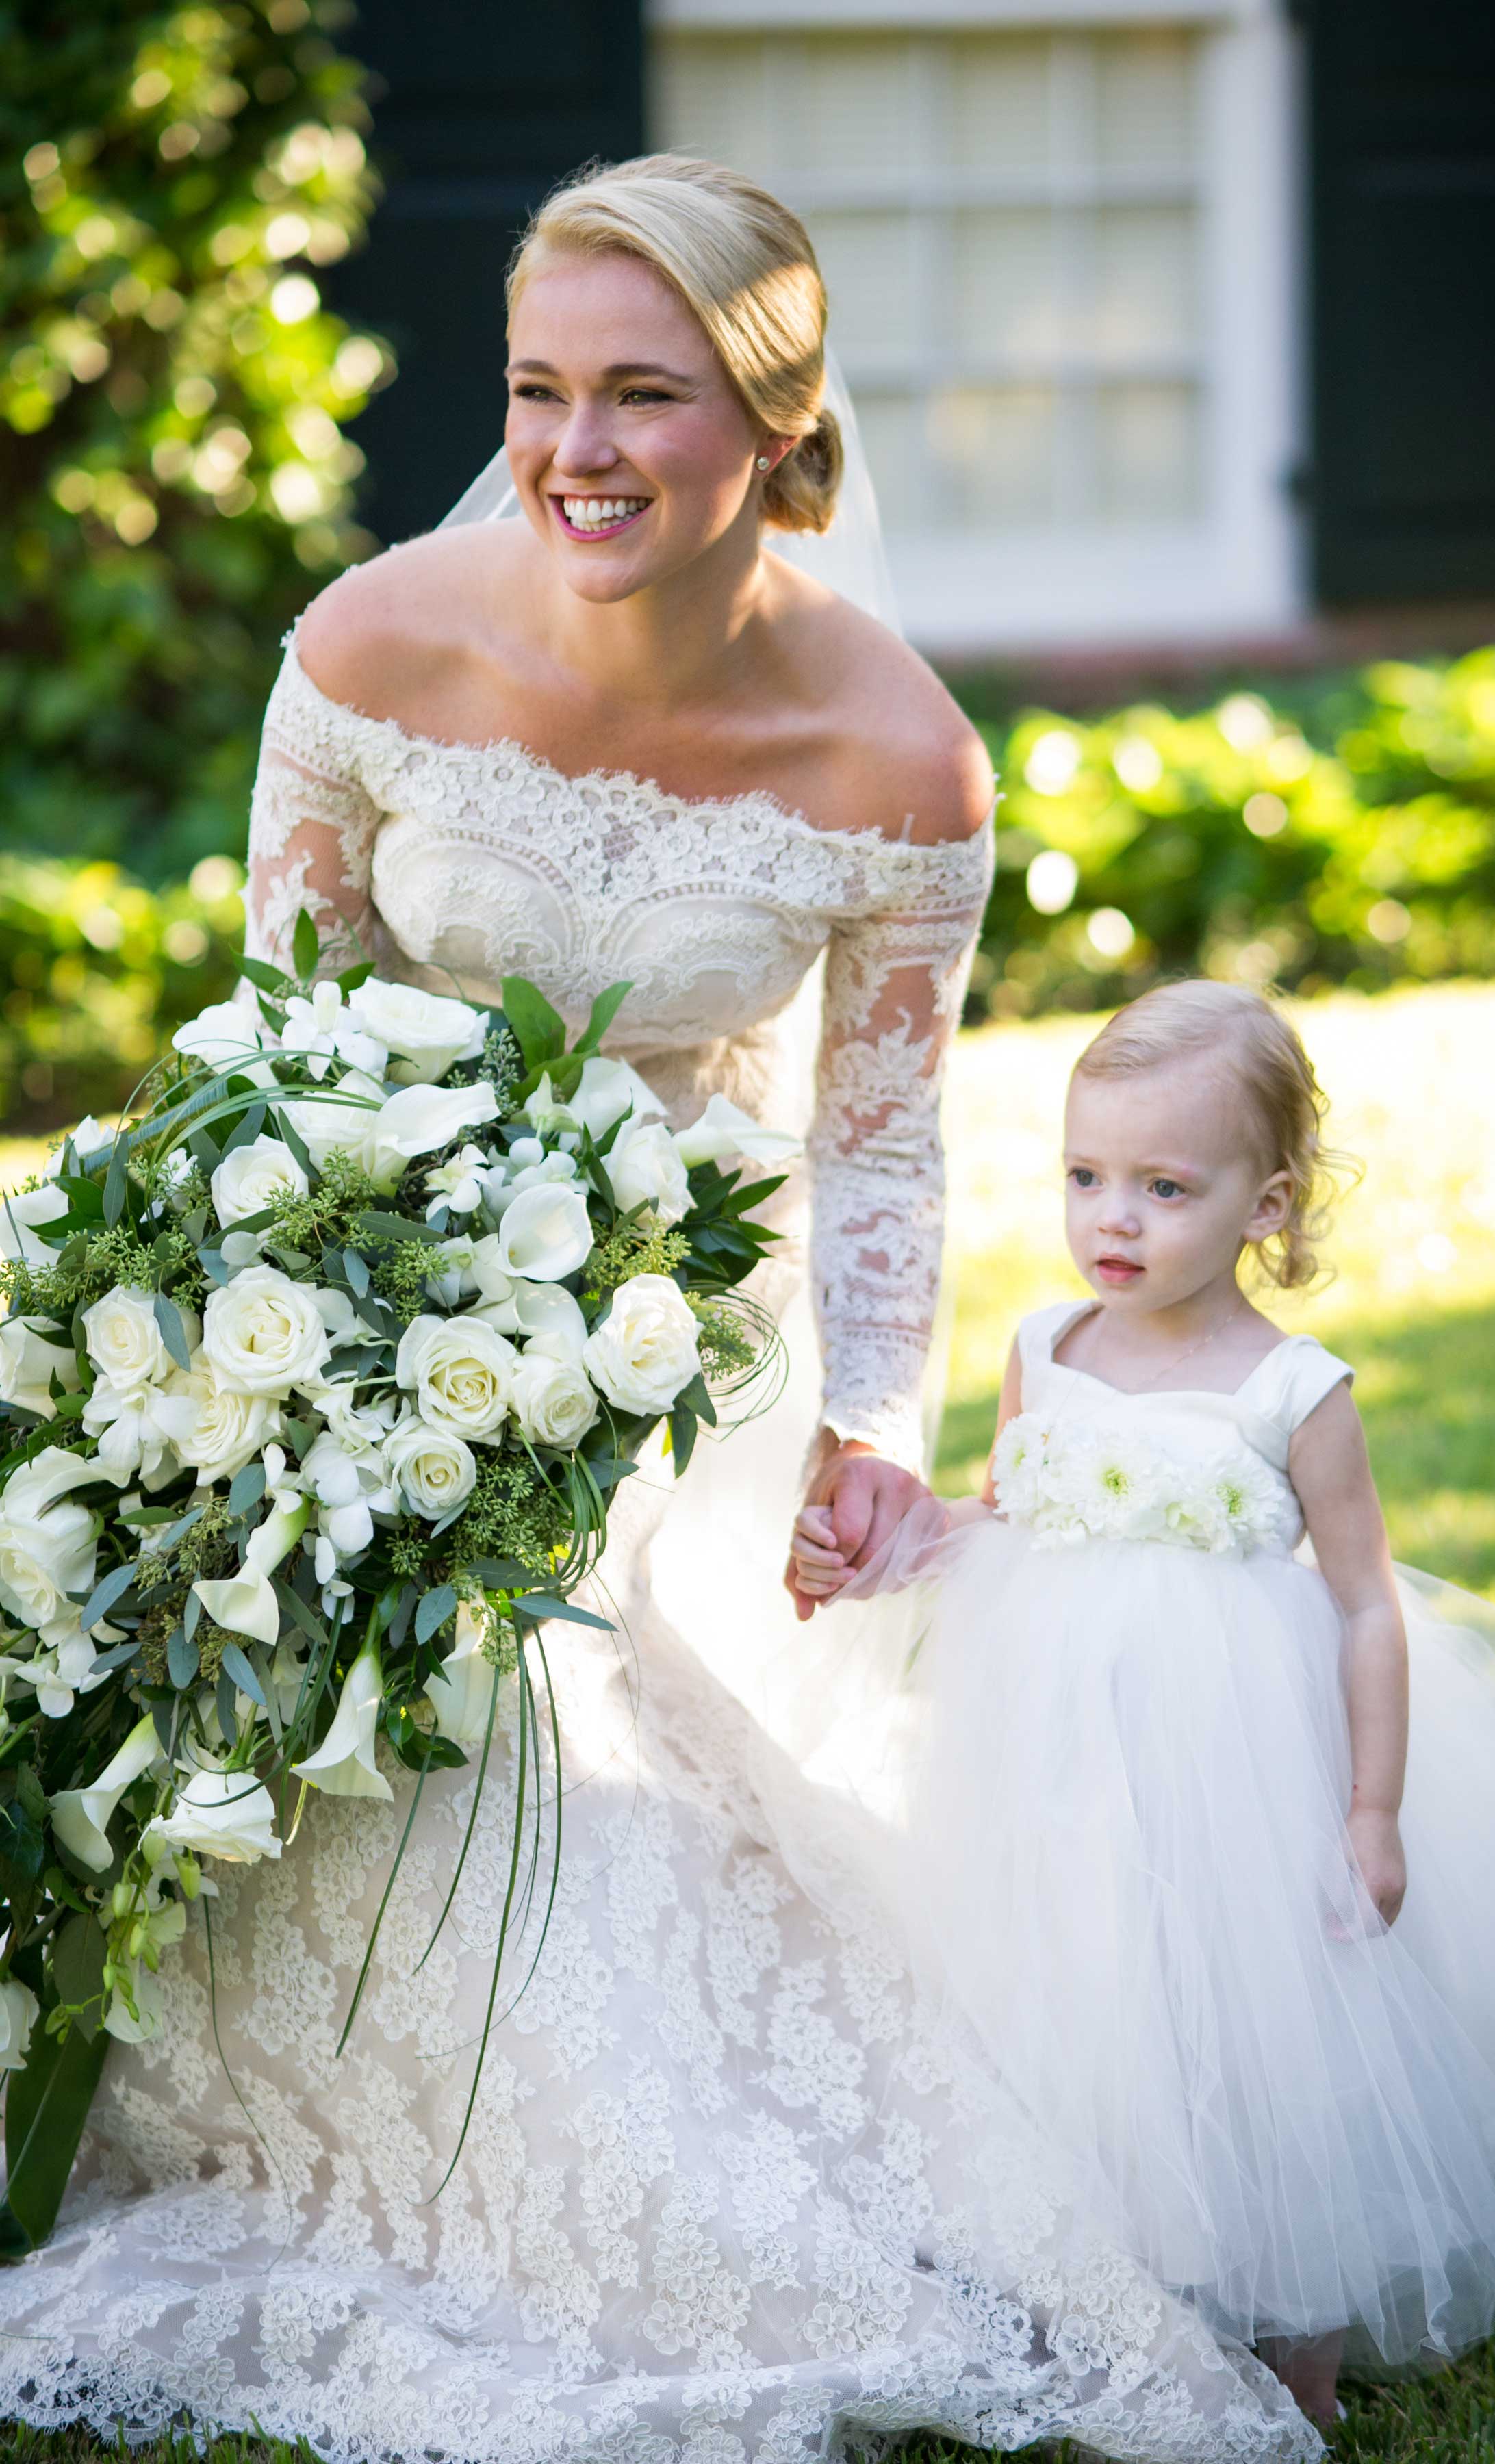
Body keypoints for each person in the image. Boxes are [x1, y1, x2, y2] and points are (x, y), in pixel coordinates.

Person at [0, 163, 1325, 2464]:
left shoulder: (895, 751)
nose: (577, 448)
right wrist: (288, 1352)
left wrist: (872, 1429)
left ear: (778, 430)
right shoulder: (370, 651)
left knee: (611, 1738)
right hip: (376, 1294)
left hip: (687, 1338)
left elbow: (886, 1138)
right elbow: (279, 1057)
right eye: (537, 390)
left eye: (646, 392)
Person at [791, 977, 1495, 2427]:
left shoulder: (1289, 1390)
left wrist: (1370, 1810)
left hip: (1233, 1770)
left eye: (1164, 1187)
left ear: (1266, 1204)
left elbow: (1367, 1600)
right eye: (1085, 1177)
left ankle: (1295, 2337)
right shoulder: (1044, 1350)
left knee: (1251, 2040)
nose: (1112, 1220)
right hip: (1056, 1767)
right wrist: (896, 1545)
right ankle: (1108, 2282)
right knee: (1084, 2009)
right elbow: (1013, 1515)